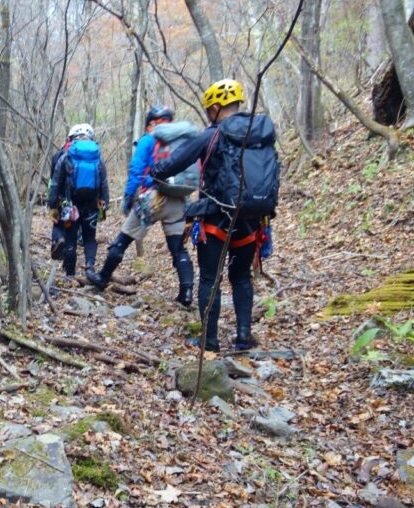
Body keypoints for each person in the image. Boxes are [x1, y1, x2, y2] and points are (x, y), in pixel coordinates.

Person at [149, 79, 280, 352]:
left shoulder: (212, 135)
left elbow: (176, 162)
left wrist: (156, 171)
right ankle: (243, 337)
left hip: (215, 219)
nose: (209, 115)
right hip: (251, 220)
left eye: (210, 110)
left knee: (210, 278)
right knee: (241, 276)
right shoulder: (260, 132)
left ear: (217, 107)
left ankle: (210, 341)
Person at [86, 104, 195, 308]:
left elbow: (137, 169)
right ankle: (186, 292)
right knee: (178, 249)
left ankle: (102, 278)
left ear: (149, 125)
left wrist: (128, 195)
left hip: (152, 198)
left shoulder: (148, 140)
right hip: (178, 200)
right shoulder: (183, 141)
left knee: (123, 239)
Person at [47, 123, 109, 279]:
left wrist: (53, 206)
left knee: (70, 239)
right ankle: (90, 267)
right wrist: (103, 209)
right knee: (89, 238)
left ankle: (70, 275)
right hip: (92, 206)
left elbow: (55, 183)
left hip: (70, 207)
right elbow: (104, 185)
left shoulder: (66, 156)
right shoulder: (97, 158)